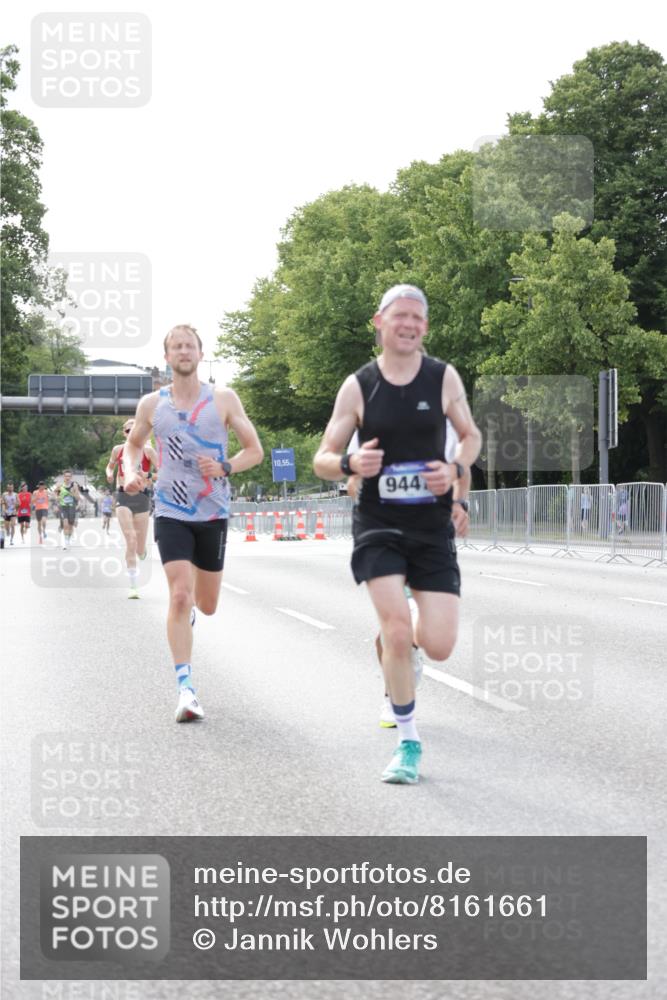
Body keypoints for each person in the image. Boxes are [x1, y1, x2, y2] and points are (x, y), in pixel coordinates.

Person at [314, 285, 482, 784]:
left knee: (439, 644)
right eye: (399, 316)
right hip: (378, 523)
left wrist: (454, 469)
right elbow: (323, 457)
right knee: (397, 629)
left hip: (430, 526)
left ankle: (404, 644)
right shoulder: (359, 386)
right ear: (379, 322)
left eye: (417, 317)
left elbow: (471, 436)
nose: (408, 324)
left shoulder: (443, 377)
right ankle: (408, 742)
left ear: (424, 327)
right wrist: (349, 461)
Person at [123, 323, 263, 722]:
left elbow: (255, 450)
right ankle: (185, 687)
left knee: (207, 603)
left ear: (200, 354)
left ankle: (192, 615)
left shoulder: (223, 399)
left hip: (213, 512)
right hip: (171, 510)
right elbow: (134, 446)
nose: (184, 351)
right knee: (179, 595)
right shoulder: (152, 404)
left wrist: (225, 466)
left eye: (190, 346)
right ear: (167, 357)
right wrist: (130, 472)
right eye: (176, 346)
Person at [105, 419, 159, 598]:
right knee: (131, 540)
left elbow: (164, 472)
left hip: (142, 498)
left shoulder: (148, 451)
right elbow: (110, 465)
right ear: (124, 433)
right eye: (128, 431)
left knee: (140, 548)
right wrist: (109, 473)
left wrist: (148, 474)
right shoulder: (117, 450)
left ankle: (142, 552)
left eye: (134, 430)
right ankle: (133, 586)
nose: (131, 434)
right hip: (123, 496)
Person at [54, 470, 81, 549]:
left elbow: (78, 498)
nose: (67, 478)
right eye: (66, 476)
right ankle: (66, 543)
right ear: (64, 477)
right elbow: (56, 493)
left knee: (70, 525)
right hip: (63, 507)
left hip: (72, 507)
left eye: (69, 476)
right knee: (65, 525)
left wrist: (73, 493)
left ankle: (68, 538)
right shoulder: (60, 486)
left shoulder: (74, 486)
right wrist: (57, 498)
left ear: (71, 477)